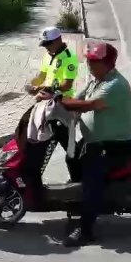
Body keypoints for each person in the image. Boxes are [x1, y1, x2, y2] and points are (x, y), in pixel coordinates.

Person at [39, 41, 131, 247]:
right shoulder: (96, 81)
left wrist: (57, 100)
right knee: (71, 157)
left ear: (107, 63)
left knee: (92, 182)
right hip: (95, 141)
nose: (89, 66)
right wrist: (55, 98)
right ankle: (78, 202)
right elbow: (75, 99)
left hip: (112, 144)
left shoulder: (114, 85)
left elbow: (88, 105)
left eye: (93, 62)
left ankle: (86, 230)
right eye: (89, 62)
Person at [27, 26, 80, 179]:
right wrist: (33, 84)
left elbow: (67, 85)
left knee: (68, 145)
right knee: (40, 141)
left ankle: (78, 177)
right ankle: (34, 175)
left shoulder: (69, 58)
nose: (47, 48)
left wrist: (46, 87)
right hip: (46, 103)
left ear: (58, 40)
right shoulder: (48, 55)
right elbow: (42, 76)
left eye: (48, 44)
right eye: (45, 45)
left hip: (61, 106)